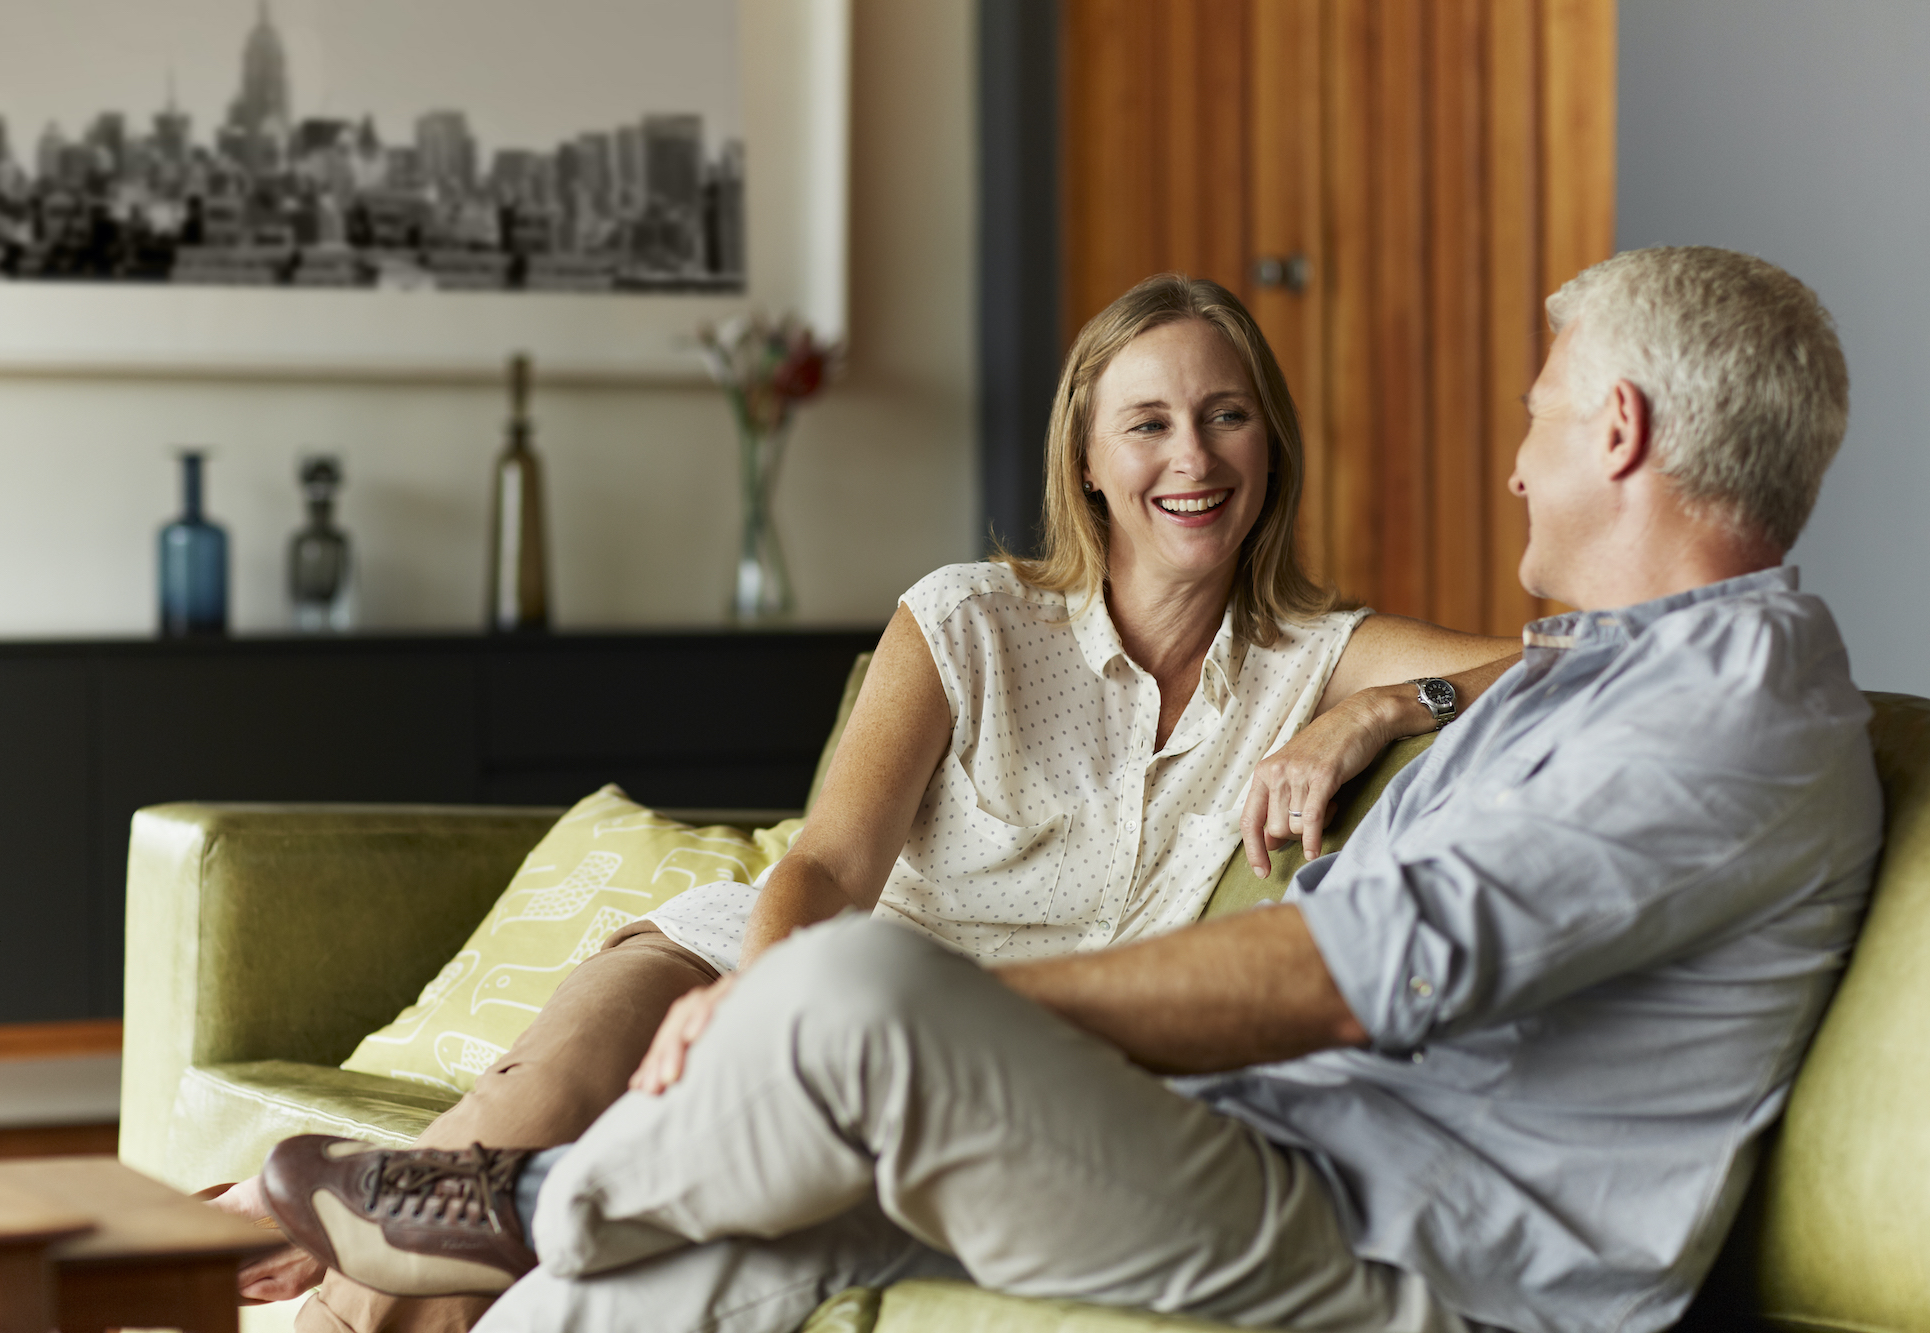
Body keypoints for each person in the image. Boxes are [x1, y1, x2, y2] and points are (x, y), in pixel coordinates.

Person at [256, 245, 1878, 1333]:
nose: (1514, 464)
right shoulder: (1612, 668)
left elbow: (1341, 970)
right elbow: (832, 852)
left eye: (1535, 422)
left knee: (856, 1000)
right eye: (1153, 421)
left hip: (1419, 1250)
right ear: (1091, 457)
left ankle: (520, 1195)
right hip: (1289, 1155)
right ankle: (500, 1229)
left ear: (1620, 428)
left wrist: (969, 1021)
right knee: (749, 1220)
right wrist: (1409, 700)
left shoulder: (1724, 716)